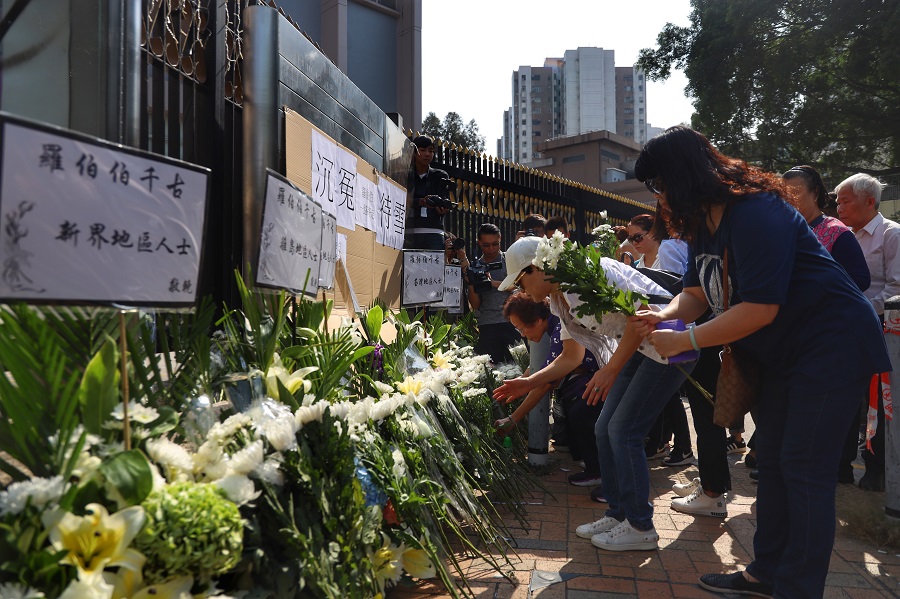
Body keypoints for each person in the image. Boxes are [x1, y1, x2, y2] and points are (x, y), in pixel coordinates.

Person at [632, 126, 890, 598]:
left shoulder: (754, 211)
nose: (660, 196)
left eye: (660, 183)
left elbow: (761, 308)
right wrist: (660, 318)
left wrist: (686, 337)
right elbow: (693, 293)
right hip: (783, 353)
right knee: (770, 462)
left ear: (683, 175)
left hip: (831, 346)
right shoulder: (704, 223)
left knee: (803, 470)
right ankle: (766, 574)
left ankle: (797, 587)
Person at [492, 236, 695, 552]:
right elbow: (570, 358)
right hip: (639, 350)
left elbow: (639, 314)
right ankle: (617, 515)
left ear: (539, 266)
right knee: (605, 429)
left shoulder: (584, 276)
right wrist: (527, 383)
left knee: (624, 432)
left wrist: (611, 369)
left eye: (520, 279)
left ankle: (640, 525)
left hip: (666, 346)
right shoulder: (560, 296)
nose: (521, 290)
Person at [784, 165, 871, 484]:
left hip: (834, 335)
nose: (789, 200)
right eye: (785, 195)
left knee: (836, 408)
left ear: (816, 194)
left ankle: (840, 469)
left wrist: (817, 295)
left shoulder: (836, 232)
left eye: (796, 193)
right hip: (798, 336)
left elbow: (860, 279)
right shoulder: (785, 233)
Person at [494, 292, 602, 486]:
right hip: (600, 373)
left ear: (536, 321)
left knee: (581, 410)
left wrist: (514, 418)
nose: (521, 335)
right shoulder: (554, 321)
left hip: (606, 375)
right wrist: (524, 379)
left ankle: (599, 471)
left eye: (520, 328)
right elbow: (545, 368)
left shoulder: (561, 324)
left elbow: (545, 382)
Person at [834, 172, 900, 492]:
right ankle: (841, 466)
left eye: (845, 201)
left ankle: (876, 468)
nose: (838, 207)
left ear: (869, 201)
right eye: (837, 201)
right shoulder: (844, 236)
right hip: (847, 329)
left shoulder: (892, 234)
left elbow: (896, 288)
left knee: (878, 399)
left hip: (883, 329)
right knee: (844, 397)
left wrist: (858, 312)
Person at [626, 213, 694, 468]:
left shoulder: (668, 250)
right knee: (665, 393)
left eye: (638, 237)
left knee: (671, 392)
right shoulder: (641, 261)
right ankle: (660, 442)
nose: (634, 243)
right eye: (630, 238)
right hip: (653, 328)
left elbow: (678, 291)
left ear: (653, 233)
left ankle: (684, 447)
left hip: (673, 324)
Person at [467, 223, 519, 363]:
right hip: (487, 324)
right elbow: (476, 305)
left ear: (500, 239)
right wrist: (472, 283)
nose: (491, 249)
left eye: (495, 244)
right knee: (493, 371)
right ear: (479, 243)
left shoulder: (510, 260)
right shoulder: (476, 266)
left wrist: (492, 283)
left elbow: (519, 287)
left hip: (512, 322)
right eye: (486, 245)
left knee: (518, 366)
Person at [405, 135, 454, 251]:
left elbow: (443, 199)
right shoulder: (405, 175)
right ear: (414, 152)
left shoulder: (440, 176)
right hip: (409, 231)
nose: (427, 154)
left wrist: (442, 208)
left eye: (431, 151)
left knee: (434, 268)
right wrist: (421, 202)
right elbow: (401, 199)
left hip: (434, 231)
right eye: (422, 150)